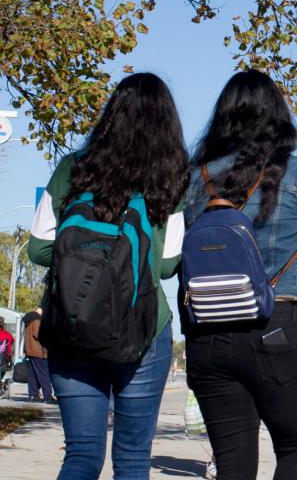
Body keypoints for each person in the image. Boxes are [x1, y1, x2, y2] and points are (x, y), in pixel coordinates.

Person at [183, 70, 297, 480]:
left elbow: (178, 259)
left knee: (232, 465)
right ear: (279, 117)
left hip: (207, 336)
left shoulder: (195, 180)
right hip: (277, 328)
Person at [28, 73, 188, 480]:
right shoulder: (170, 179)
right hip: (144, 331)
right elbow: (168, 265)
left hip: (71, 326)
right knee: (132, 459)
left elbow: (38, 248)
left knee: (81, 455)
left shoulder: (73, 169)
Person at [23, 308, 54, 403]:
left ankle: (33, 395)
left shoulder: (29, 320)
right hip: (39, 352)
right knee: (44, 374)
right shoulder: (37, 320)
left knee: (33, 375)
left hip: (31, 351)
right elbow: (39, 334)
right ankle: (47, 396)